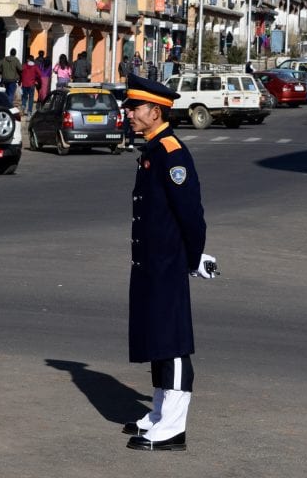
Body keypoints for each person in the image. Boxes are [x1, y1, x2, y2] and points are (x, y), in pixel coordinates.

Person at [118, 73, 215, 452]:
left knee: (173, 344)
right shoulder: (154, 150)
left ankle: (173, 428)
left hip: (168, 263)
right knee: (156, 339)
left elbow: (191, 212)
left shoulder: (172, 152)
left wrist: (193, 256)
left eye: (135, 108)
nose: (129, 114)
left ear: (155, 112)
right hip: (151, 262)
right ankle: (159, 414)